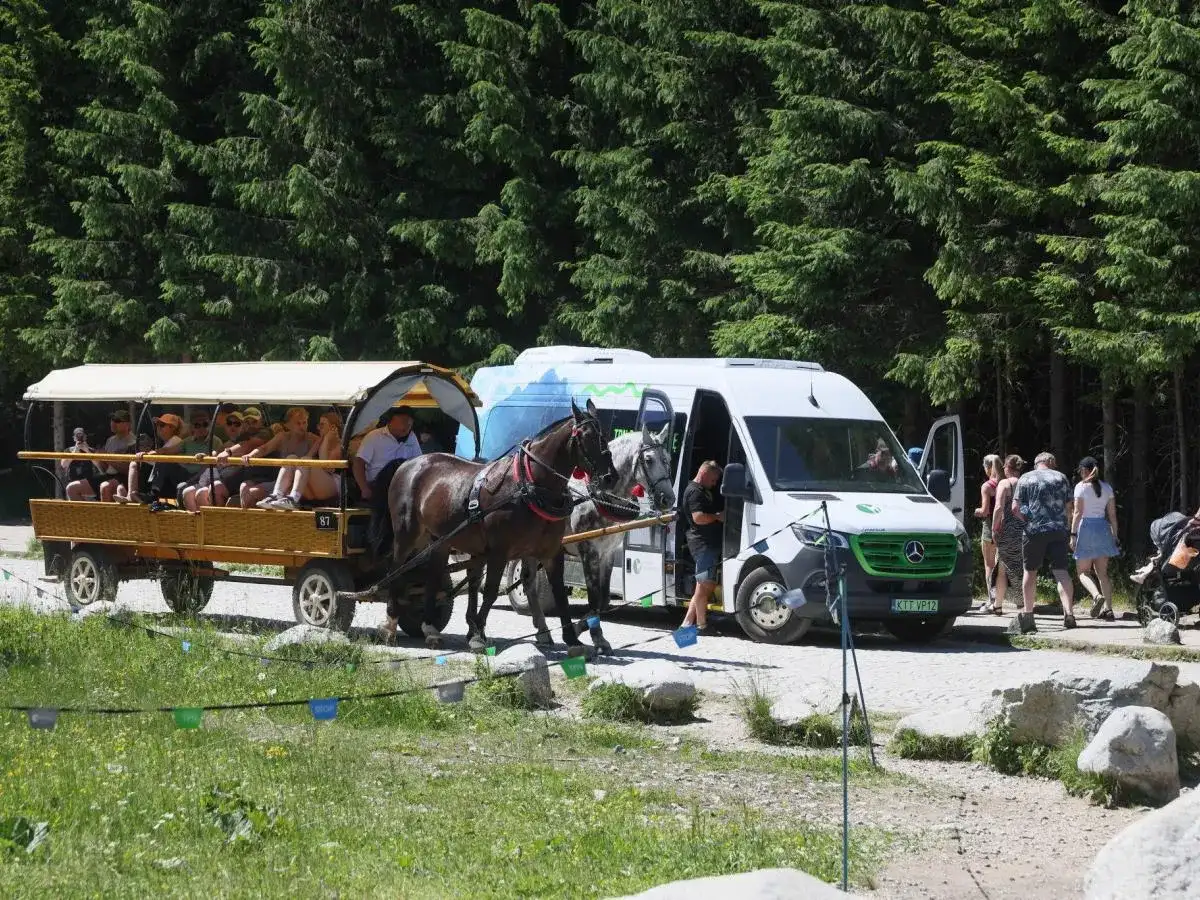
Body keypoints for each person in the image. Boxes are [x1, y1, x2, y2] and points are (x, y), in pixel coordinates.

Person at [1012, 451, 1076, 631]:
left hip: (1034, 531)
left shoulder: (1025, 478)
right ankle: (1069, 614)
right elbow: (1069, 506)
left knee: (1030, 571)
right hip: (1058, 530)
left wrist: (1027, 520)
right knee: (1061, 571)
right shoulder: (1061, 478)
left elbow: (1015, 507)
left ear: (1037, 462)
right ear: (1049, 462)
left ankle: (1029, 615)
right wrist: (1068, 527)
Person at [352, 406, 423, 552]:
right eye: (403, 421)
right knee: (393, 468)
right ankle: (378, 542)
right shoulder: (374, 437)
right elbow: (359, 463)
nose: (407, 426)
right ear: (391, 421)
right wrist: (364, 488)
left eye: (410, 423)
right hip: (378, 484)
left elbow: (419, 463)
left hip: (404, 485)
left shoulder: (412, 438)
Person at [258, 409, 343, 510]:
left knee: (305, 460)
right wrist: (321, 441)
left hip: (333, 485)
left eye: (322, 425)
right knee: (292, 458)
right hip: (314, 487)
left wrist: (326, 439)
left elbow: (327, 468)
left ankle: (293, 499)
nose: (318, 428)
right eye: (318, 425)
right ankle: (276, 495)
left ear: (332, 427)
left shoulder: (339, 444)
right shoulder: (318, 441)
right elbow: (305, 459)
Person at [237, 407, 318, 508]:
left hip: (303, 485)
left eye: (304, 422)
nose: (302, 426)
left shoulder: (312, 439)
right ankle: (252, 522)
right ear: (288, 425)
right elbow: (264, 448)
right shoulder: (282, 437)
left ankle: (285, 501)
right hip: (282, 482)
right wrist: (250, 455)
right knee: (249, 493)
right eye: (298, 423)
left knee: (292, 459)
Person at [1070, 456, 1120, 621]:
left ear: (1084, 470)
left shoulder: (1081, 487)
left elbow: (1077, 513)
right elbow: (1112, 515)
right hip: (1103, 529)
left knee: (1083, 572)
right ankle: (1109, 610)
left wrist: (1073, 535)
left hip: (1085, 529)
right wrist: (1115, 535)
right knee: (1102, 574)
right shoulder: (1107, 488)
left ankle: (1096, 596)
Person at [680, 460, 725, 635]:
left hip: (707, 544)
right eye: (713, 480)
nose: (714, 484)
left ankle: (686, 625)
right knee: (704, 585)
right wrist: (717, 517)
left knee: (706, 585)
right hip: (702, 544)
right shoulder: (694, 492)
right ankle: (701, 625)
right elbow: (698, 518)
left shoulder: (702, 490)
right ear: (705, 474)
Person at [65, 410, 135, 502]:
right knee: (72, 488)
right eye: (112, 420)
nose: (113, 423)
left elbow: (127, 470)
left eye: (117, 420)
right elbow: (104, 469)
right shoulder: (110, 440)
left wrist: (107, 457)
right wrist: (96, 457)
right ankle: (85, 516)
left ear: (128, 424)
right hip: (108, 476)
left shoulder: (133, 442)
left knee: (105, 487)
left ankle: (105, 516)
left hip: (123, 478)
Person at [118, 414, 188, 505]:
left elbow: (160, 455)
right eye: (157, 425)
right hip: (166, 479)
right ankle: (132, 494)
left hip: (175, 480)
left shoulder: (176, 440)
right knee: (135, 464)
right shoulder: (164, 442)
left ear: (172, 428)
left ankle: (139, 495)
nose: (158, 428)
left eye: (162, 425)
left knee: (136, 463)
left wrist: (145, 455)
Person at [991, 454, 1026, 620]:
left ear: (1007, 467)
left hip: (1007, 530)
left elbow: (998, 507)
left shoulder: (1004, 483)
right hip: (1024, 529)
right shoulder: (1026, 483)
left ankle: (998, 605)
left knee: (1003, 568)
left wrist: (994, 528)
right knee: (1024, 567)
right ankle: (1026, 605)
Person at [976, 454, 1001, 611]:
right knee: (1003, 565)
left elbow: (985, 511)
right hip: (1005, 528)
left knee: (989, 565)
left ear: (988, 468)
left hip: (990, 526)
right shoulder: (1007, 483)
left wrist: (976, 511)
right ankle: (1001, 598)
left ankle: (991, 600)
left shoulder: (987, 486)